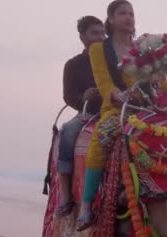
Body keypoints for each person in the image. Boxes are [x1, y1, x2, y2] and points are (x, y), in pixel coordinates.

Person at [77, 0, 167, 229]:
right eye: (122, 13)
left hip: (148, 108)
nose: (128, 17)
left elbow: (155, 78)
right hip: (117, 108)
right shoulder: (99, 49)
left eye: (131, 13)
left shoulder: (142, 47)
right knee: (102, 138)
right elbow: (102, 80)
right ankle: (86, 205)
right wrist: (115, 95)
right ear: (111, 19)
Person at [55, 15, 105, 217]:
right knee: (67, 133)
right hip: (88, 113)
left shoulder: (113, 61)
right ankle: (66, 195)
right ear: (82, 37)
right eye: (95, 33)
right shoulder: (73, 64)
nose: (100, 37)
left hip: (117, 111)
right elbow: (68, 95)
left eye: (103, 33)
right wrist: (83, 97)